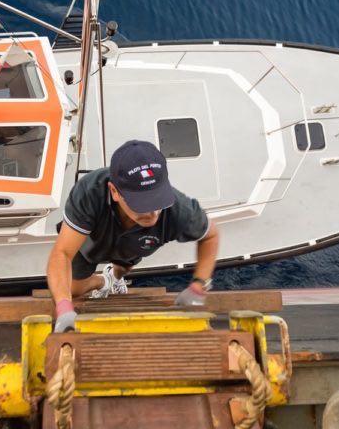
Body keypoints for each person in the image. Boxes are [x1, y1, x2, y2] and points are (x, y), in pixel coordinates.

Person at [47, 140, 219, 332]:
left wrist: (199, 285)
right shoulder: (88, 193)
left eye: (157, 200)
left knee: (122, 269)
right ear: (114, 192)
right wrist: (63, 308)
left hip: (134, 245)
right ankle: (104, 282)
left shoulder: (179, 209)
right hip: (90, 243)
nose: (152, 213)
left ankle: (115, 277)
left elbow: (210, 235)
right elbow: (62, 252)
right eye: (141, 203)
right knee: (73, 290)